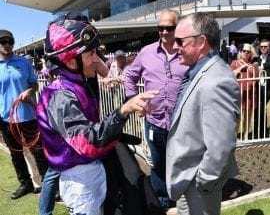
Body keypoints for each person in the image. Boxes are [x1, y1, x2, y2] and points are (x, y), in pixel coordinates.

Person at [36, 18, 158, 215]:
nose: (97, 59)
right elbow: (87, 144)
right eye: (91, 53)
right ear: (69, 59)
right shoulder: (61, 95)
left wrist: (124, 112)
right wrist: (123, 111)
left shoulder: (76, 85)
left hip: (91, 171)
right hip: (80, 180)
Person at [165, 13, 241, 215]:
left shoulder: (216, 80)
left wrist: (203, 181)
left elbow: (221, 145)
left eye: (180, 41)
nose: (174, 47)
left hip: (198, 185)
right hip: (187, 179)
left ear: (201, 42)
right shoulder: (199, 71)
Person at [124, 9, 188, 210]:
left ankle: (182, 201)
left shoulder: (187, 51)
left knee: (181, 164)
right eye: (160, 28)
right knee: (158, 166)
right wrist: (134, 100)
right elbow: (129, 76)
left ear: (177, 27)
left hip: (182, 123)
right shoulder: (146, 52)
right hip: (155, 122)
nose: (164, 32)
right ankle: (160, 203)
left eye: (169, 27)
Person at [0, 29, 48, 200]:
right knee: (16, 153)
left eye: (9, 41)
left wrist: (29, 90)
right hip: (5, 118)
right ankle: (26, 184)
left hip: (27, 115)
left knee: (38, 150)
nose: (7, 45)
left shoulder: (24, 62)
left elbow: (35, 84)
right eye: (3, 41)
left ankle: (48, 185)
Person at [231, 43, 259, 140]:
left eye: (248, 51)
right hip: (239, 93)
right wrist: (241, 68)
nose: (246, 53)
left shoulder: (252, 65)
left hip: (251, 93)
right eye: (244, 51)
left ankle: (246, 136)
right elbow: (231, 74)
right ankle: (234, 136)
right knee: (237, 117)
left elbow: (257, 77)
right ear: (240, 52)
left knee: (248, 116)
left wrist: (256, 68)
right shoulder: (235, 62)